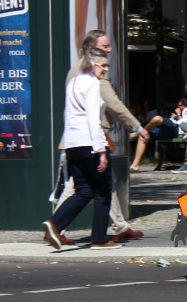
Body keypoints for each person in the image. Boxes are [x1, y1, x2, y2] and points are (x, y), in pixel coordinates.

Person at [53, 31, 146, 241]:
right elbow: (113, 104)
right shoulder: (93, 75)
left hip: (76, 139)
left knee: (96, 187)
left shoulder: (75, 71)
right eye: (105, 46)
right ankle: (56, 227)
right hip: (91, 139)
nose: (109, 50)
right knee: (84, 188)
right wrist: (138, 127)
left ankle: (118, 226)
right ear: (93, 50)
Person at [43, 54, 120, 250]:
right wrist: (101, 152)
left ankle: (55, 224)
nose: (105, 69)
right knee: (103, 192)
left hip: (72, 144)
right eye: (102, 66)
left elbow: (70, 116)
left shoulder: (73, 83)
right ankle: (99, 238)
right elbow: (93, 119)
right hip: (90, 144)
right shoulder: (93, 84)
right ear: (92, 65)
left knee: (84, 190)